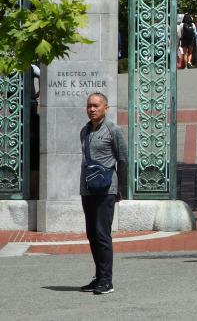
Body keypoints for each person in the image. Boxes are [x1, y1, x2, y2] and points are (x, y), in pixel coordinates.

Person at [79, 92, 127, 295]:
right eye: (89, 105)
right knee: (91, 233)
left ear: (105, 108)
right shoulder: (84, 131)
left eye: (96, 106)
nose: (92, 109)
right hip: (88, 189)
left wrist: (121, 189)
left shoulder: (113, 129)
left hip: (107, 189)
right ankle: (99, 276)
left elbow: (123, 159)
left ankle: (107, 281)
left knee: (102, 234)